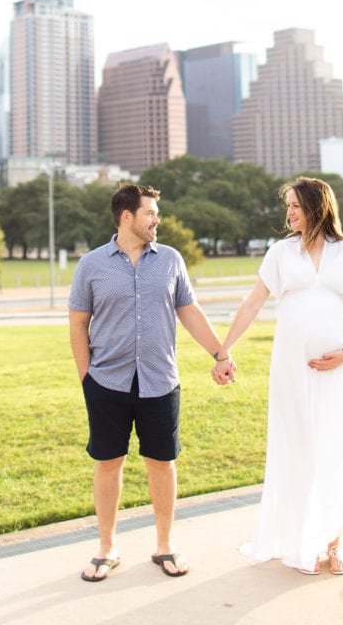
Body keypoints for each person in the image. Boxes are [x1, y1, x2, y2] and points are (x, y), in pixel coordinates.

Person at [69, 182, 236, 583]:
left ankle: (164, 545)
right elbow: (78, 323)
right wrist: (86, 378)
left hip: (160, 381)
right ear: (127, 217)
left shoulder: (171, 260)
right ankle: (106, 548)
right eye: (150, 213)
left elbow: (189, 311)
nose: (157, 219)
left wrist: (220, 353)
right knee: (109, 463)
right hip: (107, 382)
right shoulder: (91, 265)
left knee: (162, 462)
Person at [212, 176, 343, 576]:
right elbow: (252, 304)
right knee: (295, 447)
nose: (289, 213)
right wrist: (223, 350)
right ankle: (300, 540)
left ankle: (334, 542)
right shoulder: (280, 252)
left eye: (296, 206)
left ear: (316, 207)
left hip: (335, 369)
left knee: (331, 447)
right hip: (290, 368)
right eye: (288, 206)